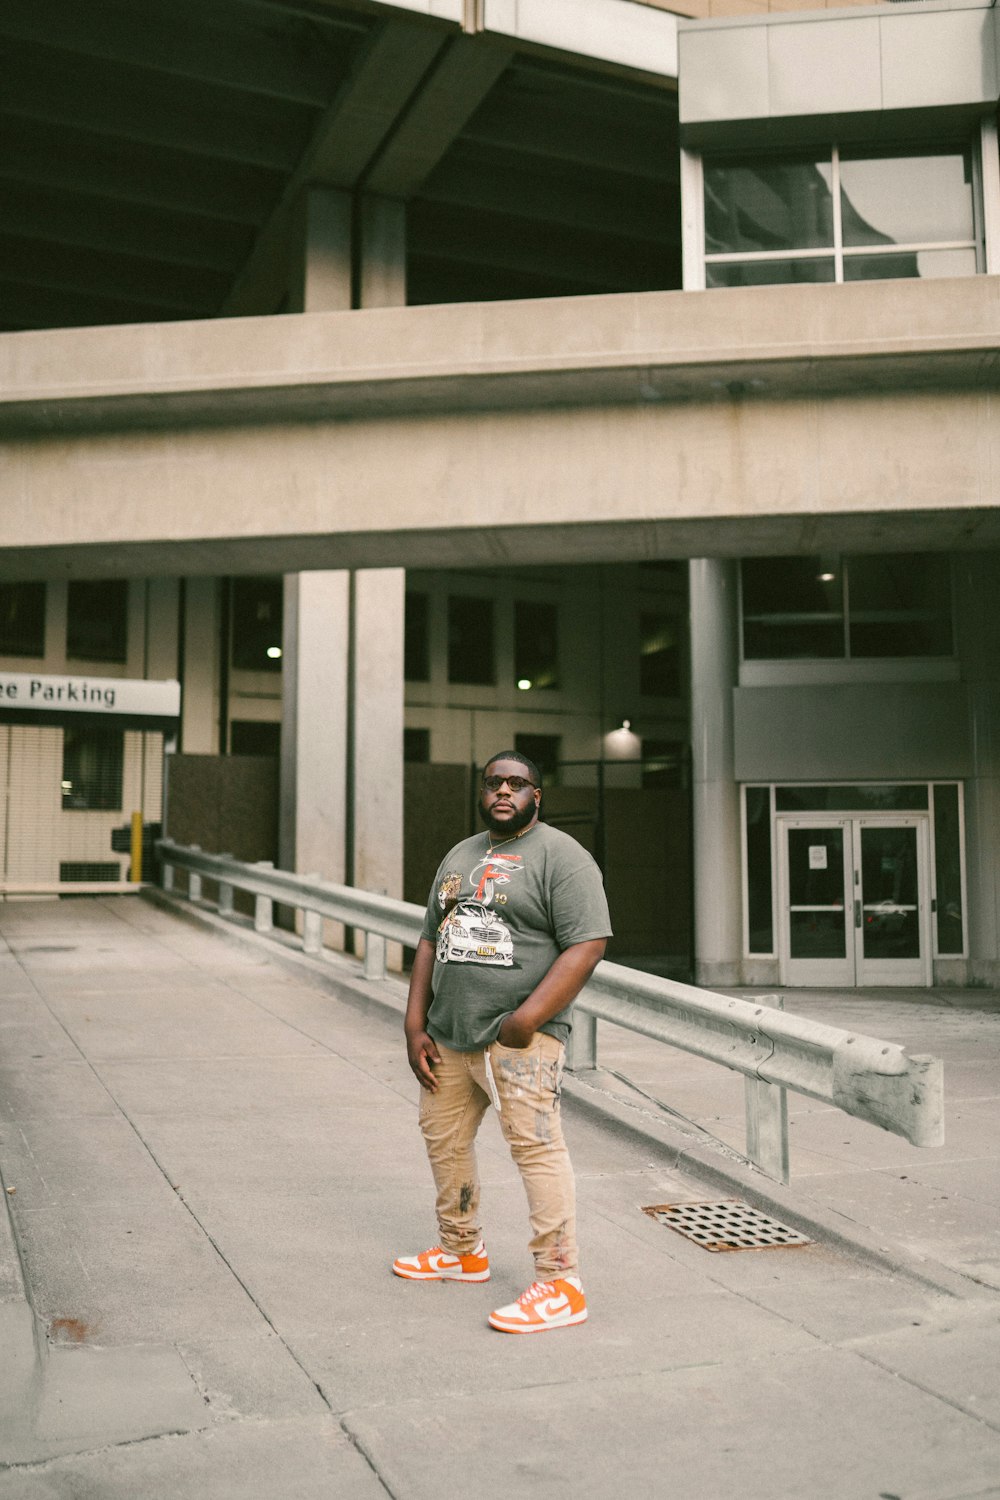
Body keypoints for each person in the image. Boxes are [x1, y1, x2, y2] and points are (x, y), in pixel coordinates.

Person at [392, 751, 612, 1334]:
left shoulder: (563, 856)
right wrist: (415, 1024)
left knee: (535, 1151)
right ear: (482, 791)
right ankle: (462, 1251)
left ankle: (561, 1283)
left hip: (521, 1039)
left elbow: (588, 943)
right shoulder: (459, 855)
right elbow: (427, 941)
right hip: (449, 1035)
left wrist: (527, 1019)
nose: (504, 792)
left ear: (537, 795)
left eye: (518, 783)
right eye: (494, 783)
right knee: (444, 1140)